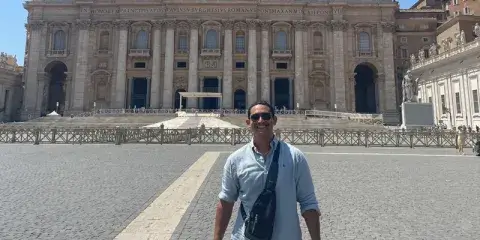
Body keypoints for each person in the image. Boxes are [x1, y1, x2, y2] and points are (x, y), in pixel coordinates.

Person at [214, 101, 321, 240]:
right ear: (248, 122)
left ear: (274, 120)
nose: (261, 120)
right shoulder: (235, 160)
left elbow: (308, 203)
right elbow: (226, 203)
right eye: (255, 117)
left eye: (265, 116)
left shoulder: (295, 157)